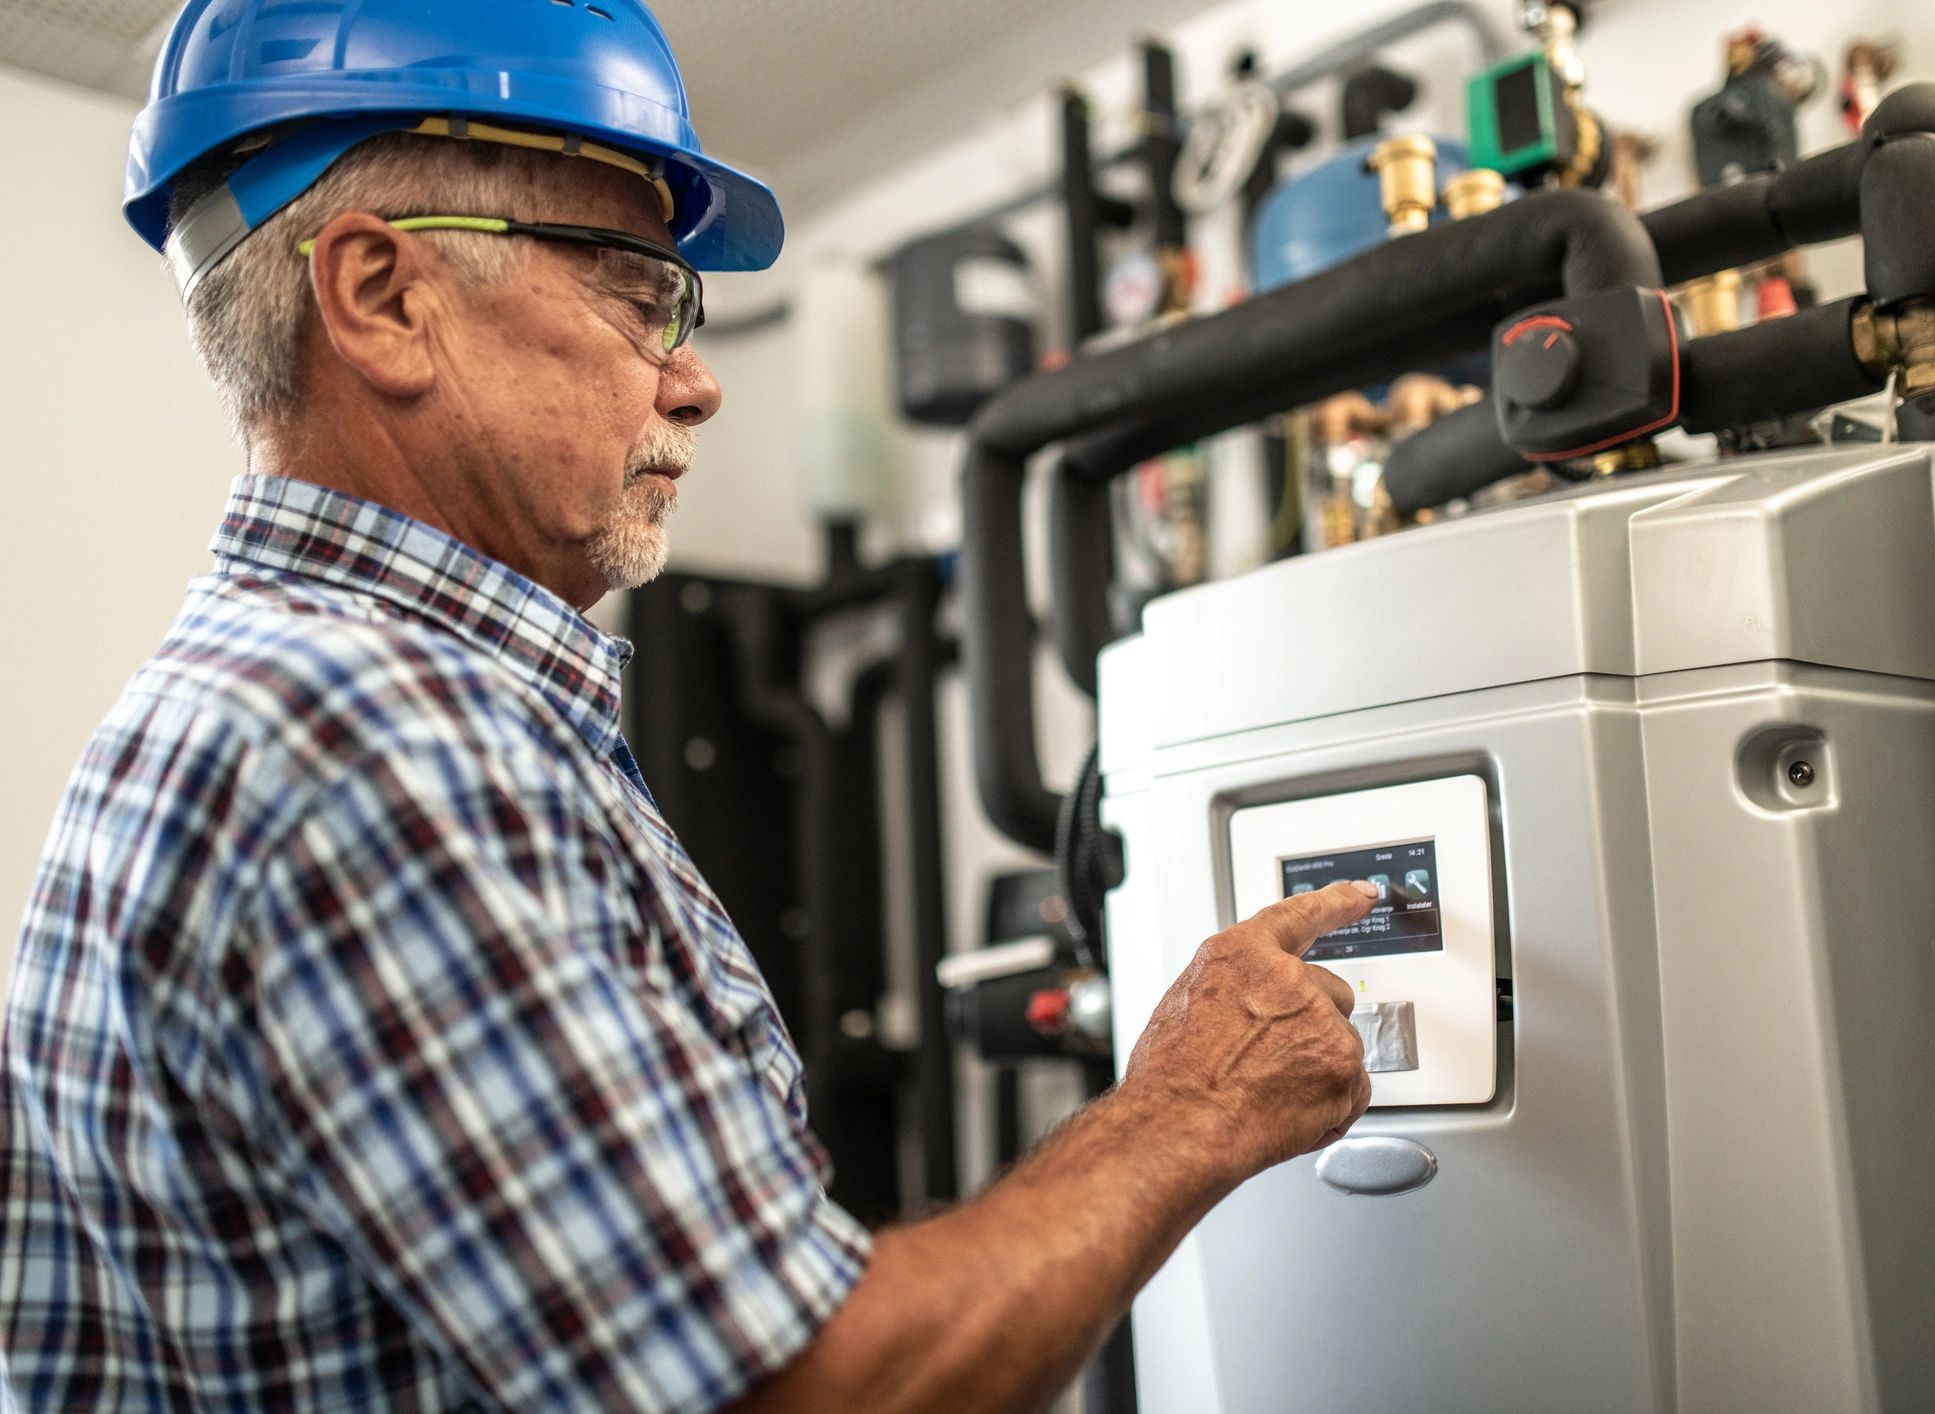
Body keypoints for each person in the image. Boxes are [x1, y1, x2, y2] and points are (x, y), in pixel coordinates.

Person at [0, 3, 1373, 1409]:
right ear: (382, 297)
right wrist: (1191, 1105)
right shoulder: (376, 739)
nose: (697, 381)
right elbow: (801, 1392)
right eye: (637, 291)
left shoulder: (258, 701)